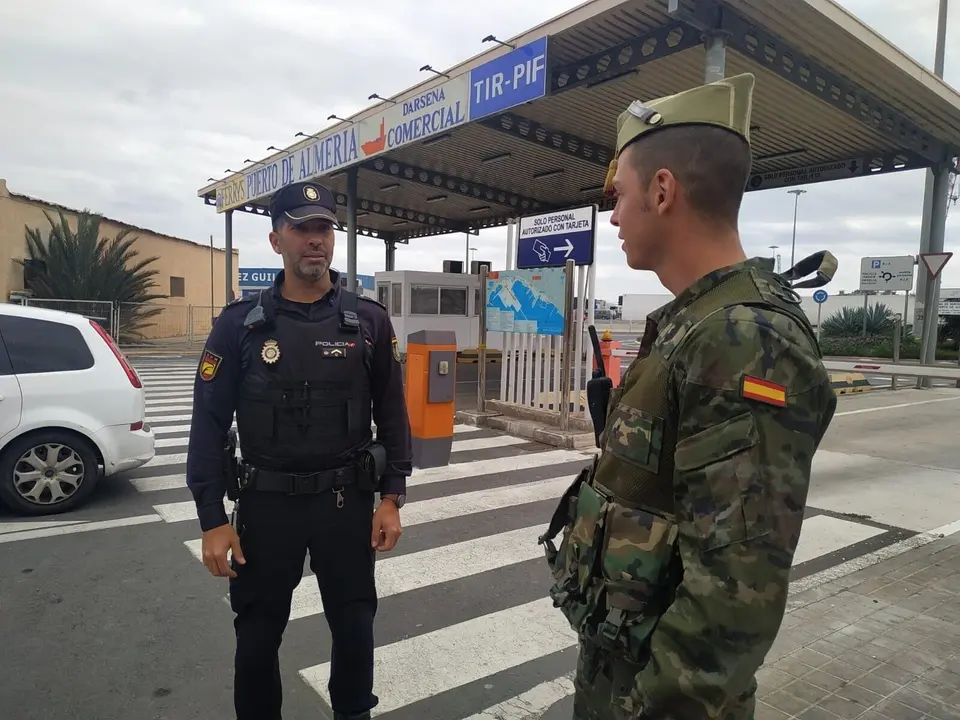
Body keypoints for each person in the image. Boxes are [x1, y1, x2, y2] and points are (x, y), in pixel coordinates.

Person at [539, 73, 839, 719]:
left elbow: (734, 591)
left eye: (618, 196)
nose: (614, 216)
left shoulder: (744, 339)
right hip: (627, 665)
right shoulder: (696, 324)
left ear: (663, 189)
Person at [185, 180, 412, 720]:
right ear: (276, 239)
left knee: (355, 628)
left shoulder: (369, 321)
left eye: (324, 228)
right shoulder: (239, 325)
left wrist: (391, 496)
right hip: (267, 508)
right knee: (258, 639)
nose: (315, 240)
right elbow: (208, 425)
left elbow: (393, 414)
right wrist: (212, 519)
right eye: (301, 228)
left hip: (345, 505)